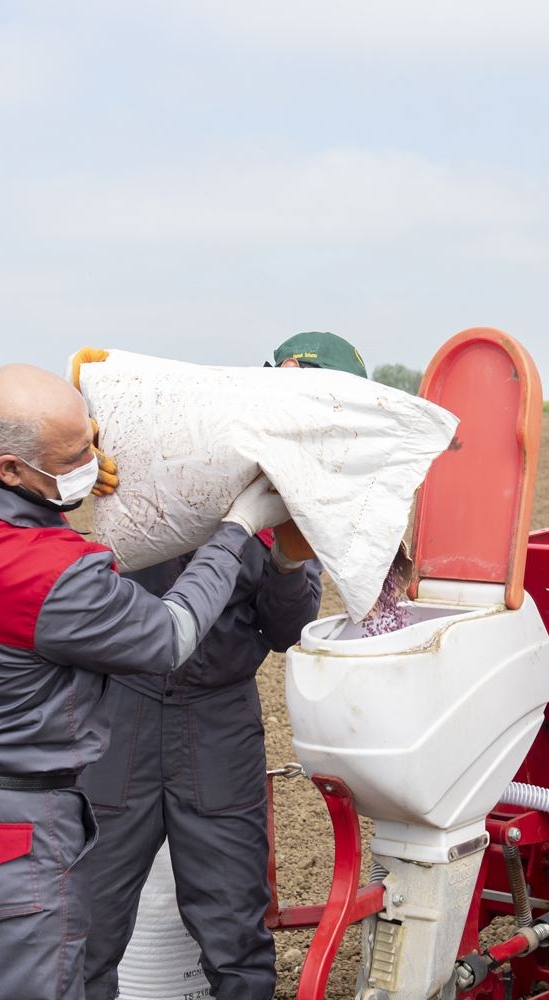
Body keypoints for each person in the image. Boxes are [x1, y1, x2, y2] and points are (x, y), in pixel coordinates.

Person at [0, 363, 291, 1000]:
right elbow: (171, 635)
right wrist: (239, 527)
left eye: (90, 443)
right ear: (13, 469)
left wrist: (75, 425)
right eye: (73, 456)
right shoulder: (49, 573)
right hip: (7, 822)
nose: (89, 463)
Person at [80, 332, 368, 1000]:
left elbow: (288, 628)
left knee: (234, 928)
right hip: (122, 710)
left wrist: (292, 559)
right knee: (86, 922)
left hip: (217, 723)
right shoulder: (178, 438)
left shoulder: (301, 489)